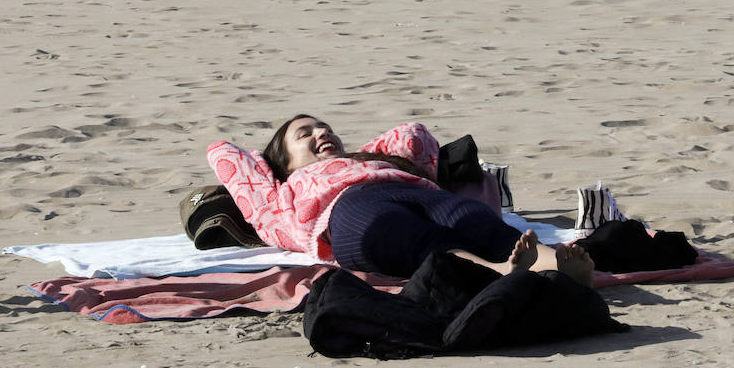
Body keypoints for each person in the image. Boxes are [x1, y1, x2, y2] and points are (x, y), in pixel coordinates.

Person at [208, 116, 594, 285]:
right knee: (421, 241)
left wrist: (352, 156)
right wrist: (276, 167)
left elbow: (413, 135)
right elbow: (224, 154)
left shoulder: (377, 161)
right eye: (304, 134)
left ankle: (557, 264)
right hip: (346, 210)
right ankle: (501, 274)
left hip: (416, 191)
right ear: (284, 163)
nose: (321, 132)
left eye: (325, 127)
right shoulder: (280, 195)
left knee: (480, 223)